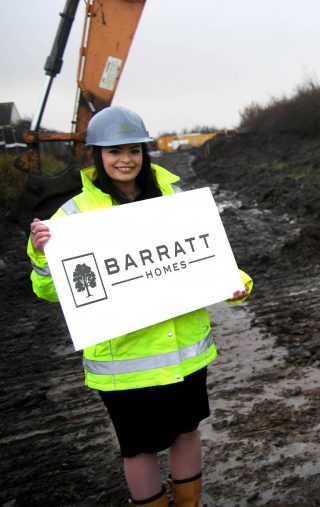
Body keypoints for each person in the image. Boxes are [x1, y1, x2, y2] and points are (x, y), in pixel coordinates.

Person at [26, 106, 253, 507]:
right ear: (97, 156)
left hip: (184, 351)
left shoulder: (174, 199)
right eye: (114, 151)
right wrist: (44, 256)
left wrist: (237, 283)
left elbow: (208, 256)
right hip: (124, 363)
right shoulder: (72, 216)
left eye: (133, 149)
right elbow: (49, 292)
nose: (125, 159)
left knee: (186, 432)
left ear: (145, 153)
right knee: (138, 449)